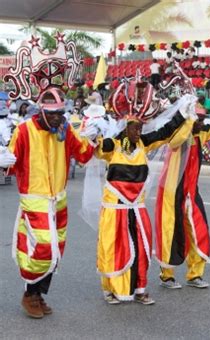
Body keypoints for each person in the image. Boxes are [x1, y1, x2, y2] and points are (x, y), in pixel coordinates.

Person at [1, 88, 95, 318]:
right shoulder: (24, 130)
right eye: (52, 113)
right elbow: (11, 163)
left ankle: (37, 294)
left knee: (55, 250)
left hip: (59, 199)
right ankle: (29, 294)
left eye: (60, 113)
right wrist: (2, 162)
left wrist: (92, 138)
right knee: (42, 248)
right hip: (35, 199)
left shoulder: (64, 128)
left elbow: (83, 155)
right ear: (41, 111)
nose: (56, 117)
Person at [92, 105, 193, 305]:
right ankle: (110, 289)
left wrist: (183, 113)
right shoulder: (114, 146)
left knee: (141, 249)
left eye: (140, 128)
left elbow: (164, 133)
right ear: (125, 128)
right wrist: (91, 136)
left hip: (136, 208)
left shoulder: (143, 144)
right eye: (134, 128)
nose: (138, 132)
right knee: (112, 248)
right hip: (115, 209)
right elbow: (97, 149)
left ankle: (139, 289)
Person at [155, 103, 210, 289]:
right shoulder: (177, 134)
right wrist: (188, 122)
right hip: (172, 192)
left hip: (191, 192)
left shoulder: (201, 133)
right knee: (171, 233)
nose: (201, 122)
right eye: (197, 118)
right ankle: (167, 275)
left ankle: (195, 274)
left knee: (199, 230)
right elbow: (175, 141)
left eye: (202, 118)